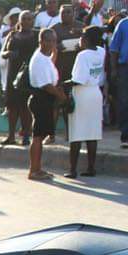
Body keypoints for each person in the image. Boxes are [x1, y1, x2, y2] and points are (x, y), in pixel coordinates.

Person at [65, 26, 106, 177]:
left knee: (76, 133)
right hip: (95, 92)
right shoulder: (101, 52)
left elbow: (78, 80)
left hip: (82, 94)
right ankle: (91, 168)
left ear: (87, 39)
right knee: (92, 132)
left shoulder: (82, 55)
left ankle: (72, 169)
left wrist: (62, 84)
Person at [28, 28, 68, 180]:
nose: (52, 43)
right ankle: (34, 170)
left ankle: (38, 168)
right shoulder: (38, 58)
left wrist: (55, 54)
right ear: (41, 41)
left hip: (45, 99)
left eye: (54, 41)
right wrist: (61, 96)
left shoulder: (44, 57)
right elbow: (46, 84)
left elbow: (48, 68)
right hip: (41, 98)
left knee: (40, 134)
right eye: (49, 40)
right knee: (38, 136)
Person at [2, 11, 38, 145]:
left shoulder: (36, 35)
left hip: (28, 73)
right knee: (12, 106)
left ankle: (26, 136)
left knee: (25, 106)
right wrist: (9, 53)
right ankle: (11, 136)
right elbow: (3, 53)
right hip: (13, 73)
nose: (28, 21)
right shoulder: (12, 35)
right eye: (25, 19)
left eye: (30, 19)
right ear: (20, 21)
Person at [111, 12, 128, 148]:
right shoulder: (123, 24)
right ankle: (126, 136)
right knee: (124, 101)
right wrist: (114, 69)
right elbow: (114, 49)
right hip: (125, 68)